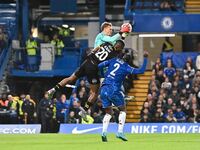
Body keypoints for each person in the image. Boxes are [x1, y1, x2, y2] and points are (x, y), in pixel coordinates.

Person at [47, 40, 126, 114]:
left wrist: (92, 54)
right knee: (95, 92)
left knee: (71, 78)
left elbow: (97, 48)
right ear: (119, 47)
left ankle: (53, 89)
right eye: (121, 49)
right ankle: (84, 111)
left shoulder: (107, 44)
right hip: (93, 68)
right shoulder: (115, 56)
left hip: (87, 62)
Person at [98, 50, 148, 142]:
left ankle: (104, 132)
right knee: (123, 109)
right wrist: (145, 58)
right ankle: (120, 132)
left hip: (103, 88)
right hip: (113, 90)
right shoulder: (126, 67)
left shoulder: (114, 60)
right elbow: (141, 71)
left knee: (108, 112)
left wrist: (103, 74)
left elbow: (100, 65)